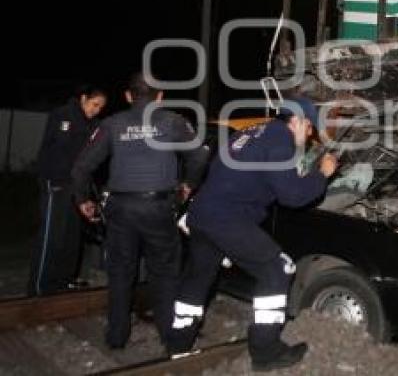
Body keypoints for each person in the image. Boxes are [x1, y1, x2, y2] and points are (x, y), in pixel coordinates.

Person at [166, 96, 338, 371]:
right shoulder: (280, 138)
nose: (309, 136)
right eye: (309, 130)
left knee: (198, 278)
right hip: (226, 218)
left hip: (203, 214)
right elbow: (292, 195)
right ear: (297, 121)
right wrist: (322, 175)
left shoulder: (251, 132)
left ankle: (177, 344)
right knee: (277, 269)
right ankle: (265, 350)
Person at [71, 72, 207, 349]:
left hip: (120, 210)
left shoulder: (112, 124)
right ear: (160, 97)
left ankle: (116, 337)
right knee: (165, 274)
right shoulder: (173, 121)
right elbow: (200, 155)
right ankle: (171, 339)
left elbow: (81, 168)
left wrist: (84, 200)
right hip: (159, 208)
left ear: (128, 96)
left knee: (120, 273)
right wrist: (188, 185)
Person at [28, 85, 107, 296]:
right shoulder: (63, 115)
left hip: (76, 187)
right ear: (83, 98)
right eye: (94, 104)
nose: (97, 110)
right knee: (52, 235)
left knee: (71, 236)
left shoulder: (95, 125)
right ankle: (38, 286)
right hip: (55, 182)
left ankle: (63, 281)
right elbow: (62, 151)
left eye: (101, 107)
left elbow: (91, 160)